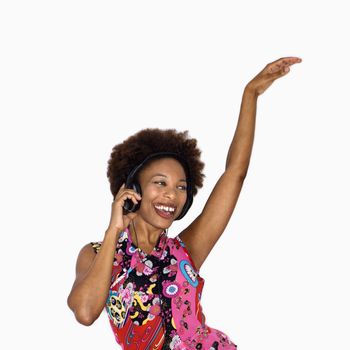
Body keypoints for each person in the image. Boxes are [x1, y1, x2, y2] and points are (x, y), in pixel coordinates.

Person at [67, 56, 302, 349]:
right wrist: (113, 231)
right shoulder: (96, 254)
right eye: (160, 183)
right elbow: (86, 312)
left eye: (181, 187)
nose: (172, 195)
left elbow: (234, 174)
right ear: (132, 188)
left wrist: (250, 94)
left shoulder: (185, 251)